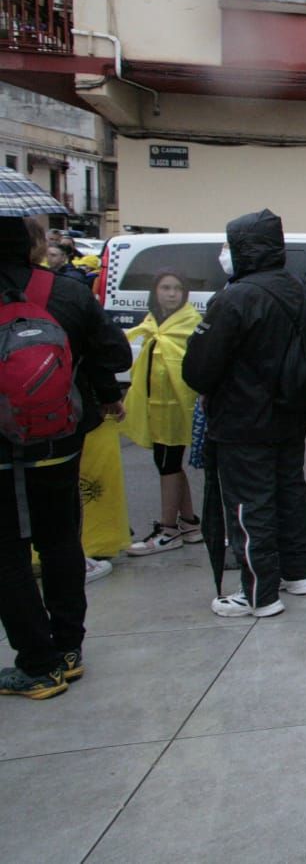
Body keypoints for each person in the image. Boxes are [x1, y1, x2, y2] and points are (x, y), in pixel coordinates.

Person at [0, 217, 130, 699]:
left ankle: (37, 663)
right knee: (59, 541)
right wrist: (98, 388)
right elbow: (115, 354)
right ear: (32, 244)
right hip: (59, 442)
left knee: (7, 553)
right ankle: (69, 650)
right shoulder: (68, 293)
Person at [182, 211, 306, 618]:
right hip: (291, 410)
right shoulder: (296, 289)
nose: (225, 255)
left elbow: (200, 368)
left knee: (249, 503)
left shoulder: (234, 298)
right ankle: (299, 572)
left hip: (244, 417)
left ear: (244, 248)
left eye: (229, 246)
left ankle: (259, 592)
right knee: (290, 491)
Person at [123, 271, 204, 555]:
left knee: (168, 463)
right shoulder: (154, 322)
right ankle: (190, 524)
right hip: (156, 406)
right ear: (155, 291)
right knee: (168, 463)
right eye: (165, 287)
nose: (171, 293)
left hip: (177, 408)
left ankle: (168, 530)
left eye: (177, 288)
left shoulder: (190, 323)